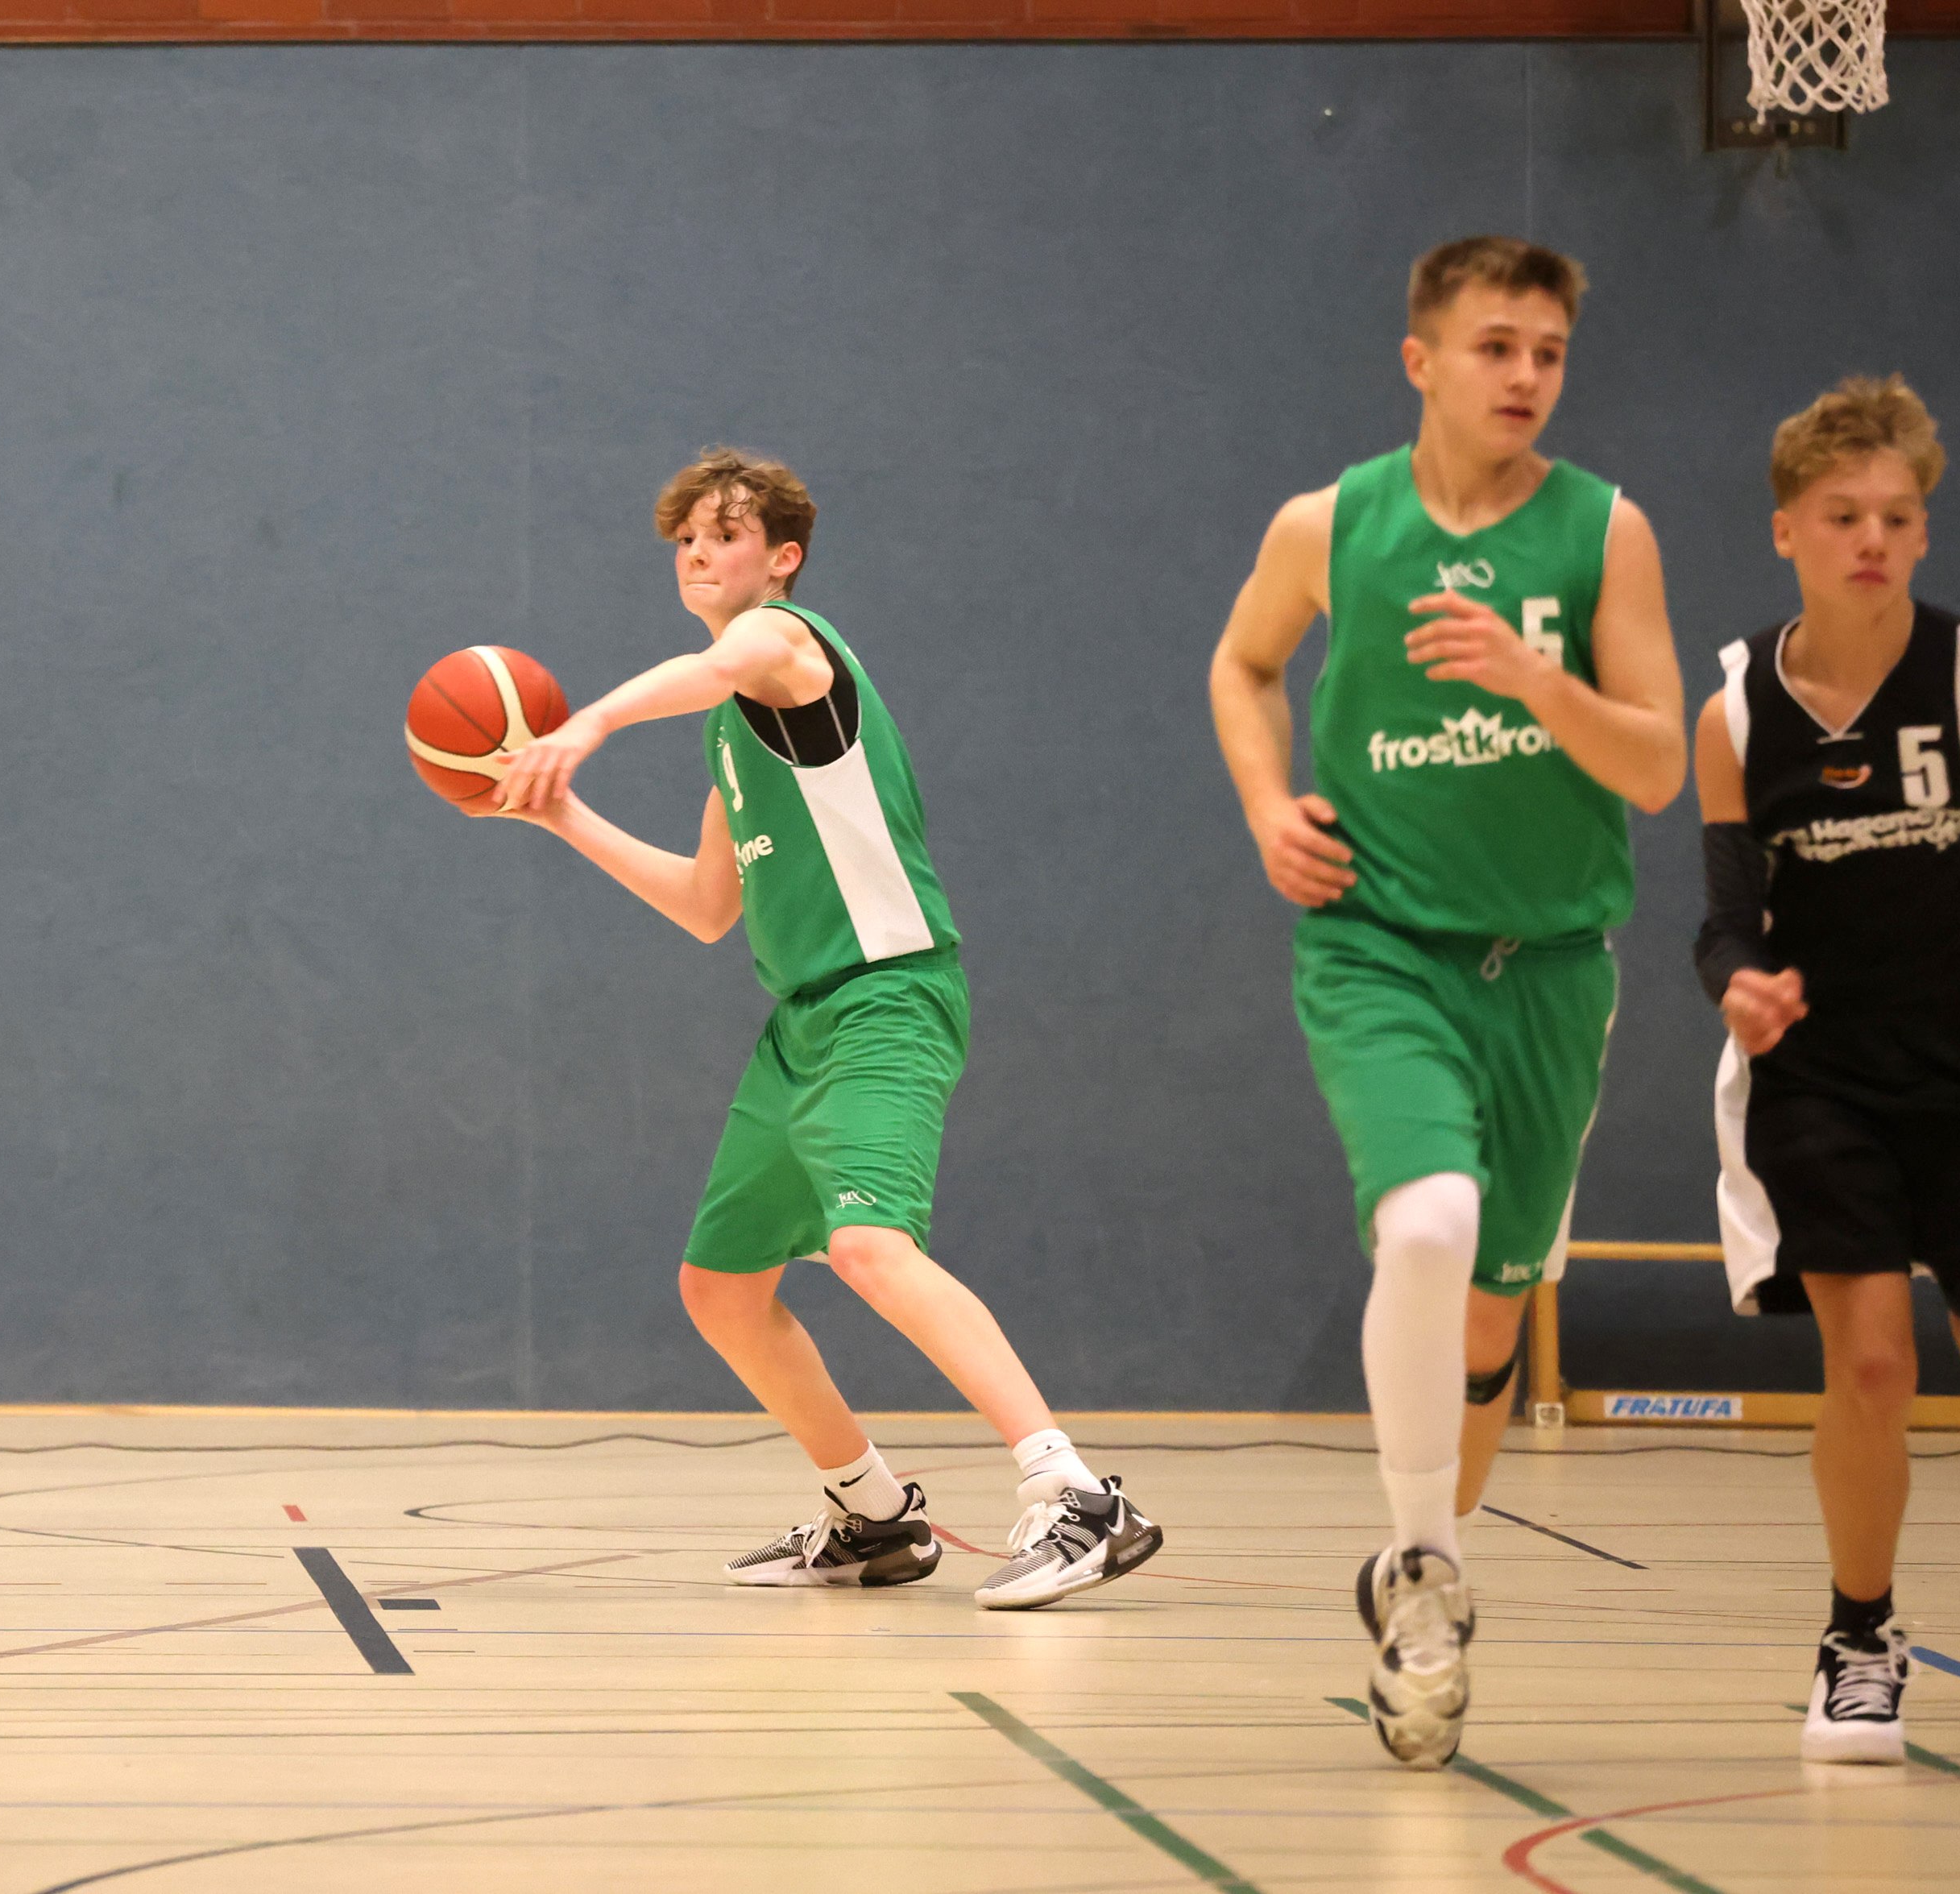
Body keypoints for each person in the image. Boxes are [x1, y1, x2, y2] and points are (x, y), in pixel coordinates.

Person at [492, 446, 1161, 1614]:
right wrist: (562, 817)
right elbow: (706, 906)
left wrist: (584, 724)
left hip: (887, 996)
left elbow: (720, 664)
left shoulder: (786, 645)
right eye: (686, 539)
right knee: (721, 1289)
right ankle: (874, 1515)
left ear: (783, 558)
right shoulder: (728, 727)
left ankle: (1077, 1496)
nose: (699, 553)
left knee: (868, 1250)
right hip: (802, 1021)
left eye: (726, 534)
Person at [1205, 235, 1684, 1768]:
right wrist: (1268, 806)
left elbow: (1659, 767)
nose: (1526, 376)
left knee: (1490, 1310)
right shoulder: (1330, 523)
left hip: (1549, 969)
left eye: (1548, 351)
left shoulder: (1603, 533)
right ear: (1422, 361)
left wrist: (1536, 682)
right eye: (1496, 347)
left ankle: (1427, 1560)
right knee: (1426, 1226)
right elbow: (1243, 667)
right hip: (1380, 946)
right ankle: (1421, 1572)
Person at [1694, 375, 1960, 1766]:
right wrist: (1739, 984)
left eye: (1896, 515)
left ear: (1924, 531)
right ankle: (1859, 1638)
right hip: (1820, 1083)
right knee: (1874, 1362)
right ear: (1788, 532)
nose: (1871, 538)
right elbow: (1723, 923)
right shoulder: (1736, 712)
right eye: (1842, 516)